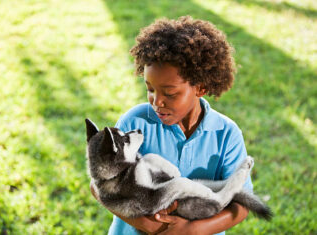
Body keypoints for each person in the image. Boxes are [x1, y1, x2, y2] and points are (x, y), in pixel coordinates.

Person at [90, 16, 253, 235]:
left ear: (201, 88)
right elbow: (100, 186)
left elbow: (241, 204)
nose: (157, 101)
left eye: (170, 93)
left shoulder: (226, 134)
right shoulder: (134, 123)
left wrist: (193, 230)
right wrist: (148, 226)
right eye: (150, 89)